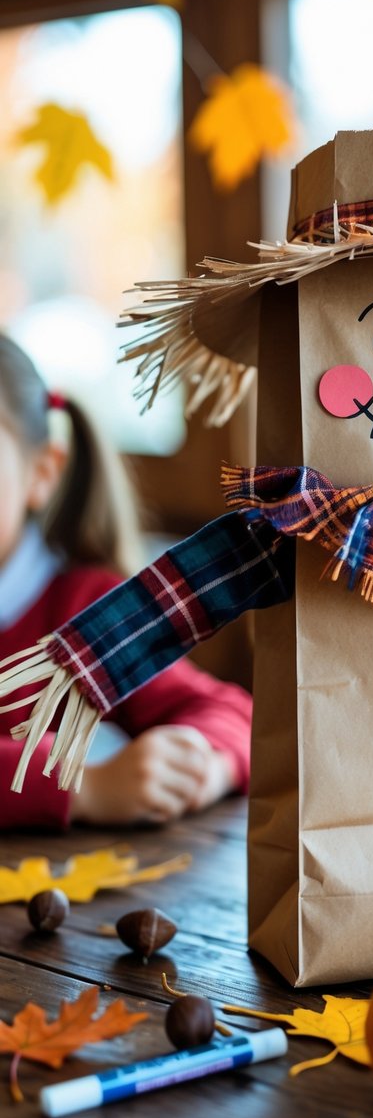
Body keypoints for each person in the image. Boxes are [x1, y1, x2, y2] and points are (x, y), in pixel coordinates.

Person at [0, 335, 252, 829]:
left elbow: (226, 712)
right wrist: (86, 786)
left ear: (42, 474)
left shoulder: (82, 611)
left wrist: (198, 766)